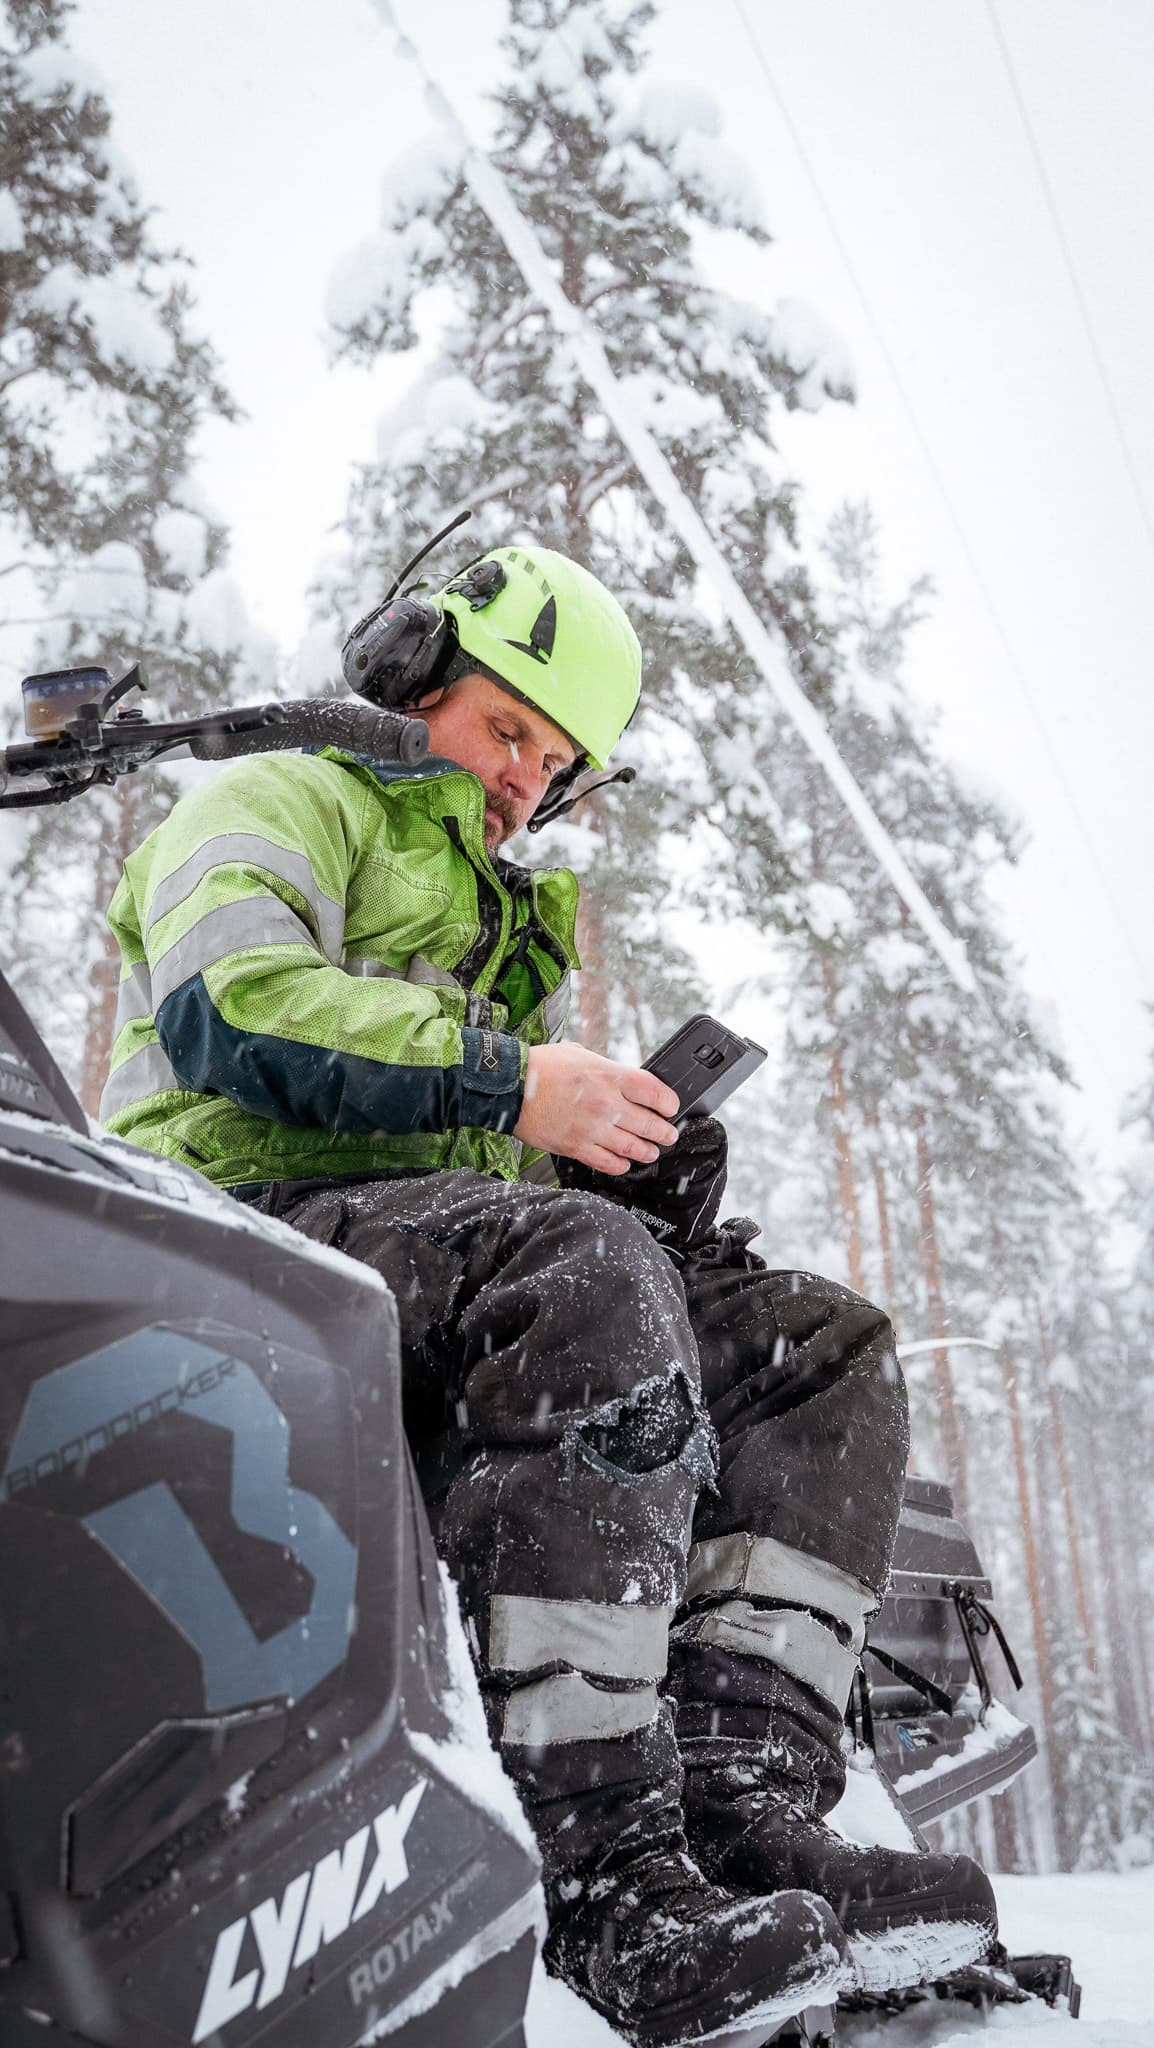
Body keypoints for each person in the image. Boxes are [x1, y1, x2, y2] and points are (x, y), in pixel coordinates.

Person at [101, 544, 996, 2045]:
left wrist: (623, 1166)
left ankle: (734, 1804)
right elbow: (231, 1008)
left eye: (557, 763)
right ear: (411, 684)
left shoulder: (494, 929)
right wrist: (520, 1085)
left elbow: (481, 1181)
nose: (528, 780)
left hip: (413, 1242)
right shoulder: (278, 799)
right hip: (227, 1226)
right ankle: (589, 1856)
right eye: (509, 731)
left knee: (810, 1348)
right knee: (581, 1272)